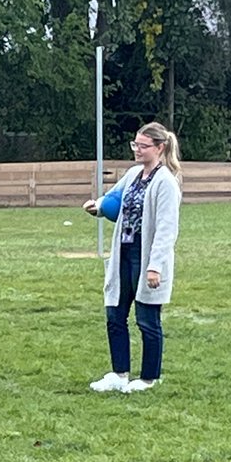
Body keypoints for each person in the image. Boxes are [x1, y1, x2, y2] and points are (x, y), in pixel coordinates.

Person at [83, 122, 182, 393]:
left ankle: (150, 377)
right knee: (115, 313)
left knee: (147, 318)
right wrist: (98, 206)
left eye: (143, 146)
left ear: (159, 148)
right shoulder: (134, 173)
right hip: (123, 252)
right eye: (135, 144)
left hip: (146, 255)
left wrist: (154, 267)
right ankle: (119, 373)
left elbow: (166, 229)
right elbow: (114, 198)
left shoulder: (166, 183)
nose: (137, 150)